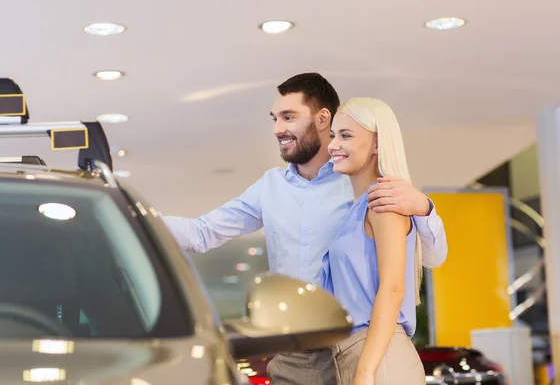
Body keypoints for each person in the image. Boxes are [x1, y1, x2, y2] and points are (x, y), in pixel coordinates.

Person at [160, 73, 447, 385]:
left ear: (322, 118)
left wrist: (425, 209)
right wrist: (130, 220)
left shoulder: (365, 186)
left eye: (288, 117)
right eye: (275, 118)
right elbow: (200, 233)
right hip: (292, 355)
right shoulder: (269, 187)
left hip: (355, 346)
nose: (277, 129)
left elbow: (427, 260)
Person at [322, 97, 427, 385]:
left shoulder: (384, 201)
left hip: (378, 358)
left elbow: (393, 288)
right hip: (356, 355)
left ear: (378, 144)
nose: (332, 145)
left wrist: (366, 370)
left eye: (345, 135)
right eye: (333, 135)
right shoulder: (355, 209)